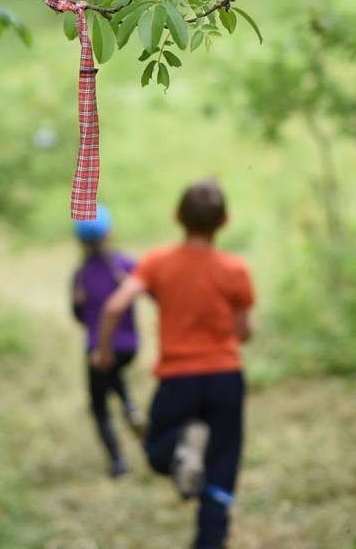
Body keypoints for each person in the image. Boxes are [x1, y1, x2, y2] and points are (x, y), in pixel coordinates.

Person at [92, 181, 255, 549]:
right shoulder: (235, 269)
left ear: (177, 217)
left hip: (179, 378)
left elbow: (116, 305)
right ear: (224, 221)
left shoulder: (158, 262)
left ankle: (181, 447)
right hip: (226, 377)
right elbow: (243, 332)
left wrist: (103, 352)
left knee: (155, 451)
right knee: (222, 466)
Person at [71, 204, 143, 478]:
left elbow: (77, 314)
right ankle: (129, 406)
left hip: (96, 349)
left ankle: (117, 462)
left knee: (99, 406)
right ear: (110, 233)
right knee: (113, 371)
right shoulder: (126, 265)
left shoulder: (80, 276)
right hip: (128, 347)